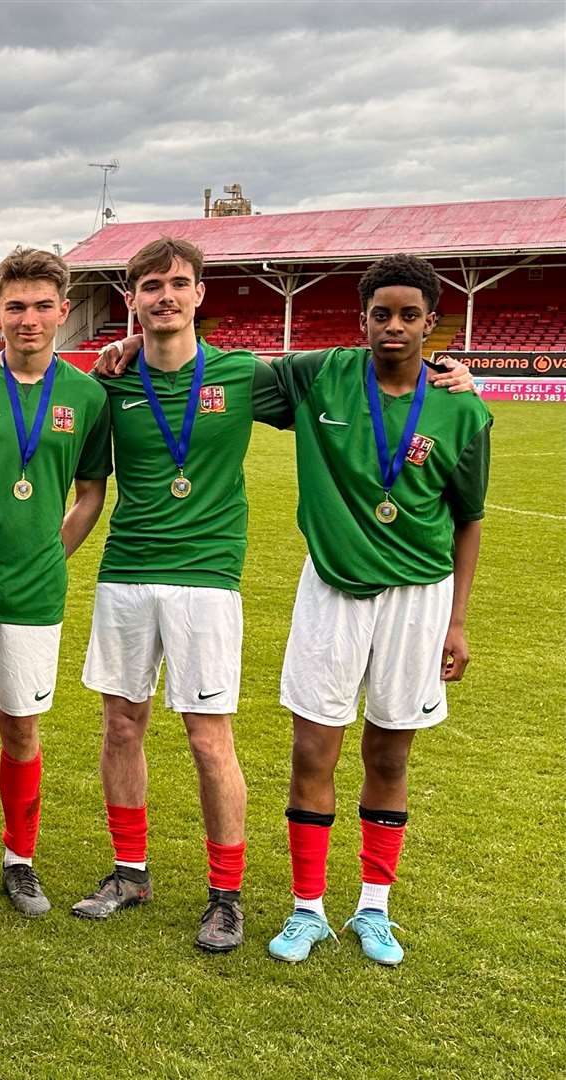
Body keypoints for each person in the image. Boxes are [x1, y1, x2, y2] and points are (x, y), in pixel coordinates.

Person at [33, 237, 475, 954]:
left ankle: (225, 894)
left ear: (199, 294)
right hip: (124, 570)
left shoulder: (246, 375)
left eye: (178, 283)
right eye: (150, 286)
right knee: (120, 725)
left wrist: (448, 374)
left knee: (209, 739)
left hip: (207, 579)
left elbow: (370, 368)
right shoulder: (107, 380)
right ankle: (128, 871)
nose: (164, 296)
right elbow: (37, 385)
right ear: (131, 296)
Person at [262, 255, 490, 966]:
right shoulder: (318, 376)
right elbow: (209, 372)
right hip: (331, 587)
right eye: (380, 314)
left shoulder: (461, 408)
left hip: (418, 598)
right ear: (361, 320)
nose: (393, 326)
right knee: (312, 748)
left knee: (389, 751)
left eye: (408, 315)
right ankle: (306, 910)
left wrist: (455, 621)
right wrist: (122, 347)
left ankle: (372, 908)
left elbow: (468, 520)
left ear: (431, 323)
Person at [0, 248, 110, 917]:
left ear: (63, 312)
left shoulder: (87, 394)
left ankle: (19, 859)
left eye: (42, 306)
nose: (28, 319)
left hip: (36, 595)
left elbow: (92, 493)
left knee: (20, 730)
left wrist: (50, 553)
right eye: (15, 306)